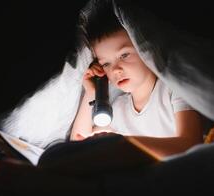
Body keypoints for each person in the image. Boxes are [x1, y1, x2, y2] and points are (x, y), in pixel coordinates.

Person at [70, 4, 204, 158]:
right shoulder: (118, 111)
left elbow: (190, 145)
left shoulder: (173, 88)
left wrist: (123, 143)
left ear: (145, 48)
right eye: (106, 64)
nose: (115, 70)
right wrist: (92, 92)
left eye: (124, 55)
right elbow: (77, 145)